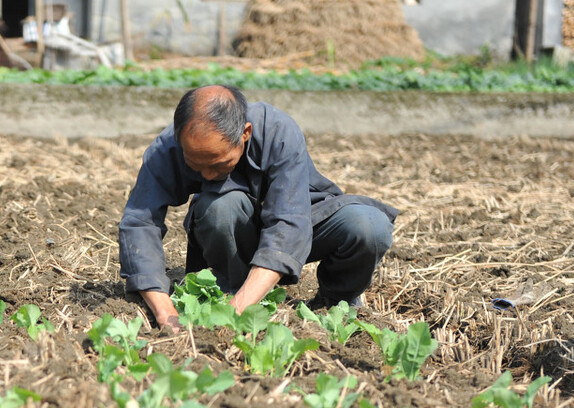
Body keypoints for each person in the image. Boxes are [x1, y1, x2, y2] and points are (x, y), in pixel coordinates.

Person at [118, 85, 398, 332]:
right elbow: (139, 223)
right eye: (195, 164)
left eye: (217, 163)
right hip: (229, 230)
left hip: (301, 225)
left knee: (368, 224)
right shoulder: (166, 149)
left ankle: (335, 302)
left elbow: (288, 224)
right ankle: (226, 290)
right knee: (221, 206)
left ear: (245, 134)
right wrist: (166, 313)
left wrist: (237, 312)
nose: (206, 175)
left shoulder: (279, 132)